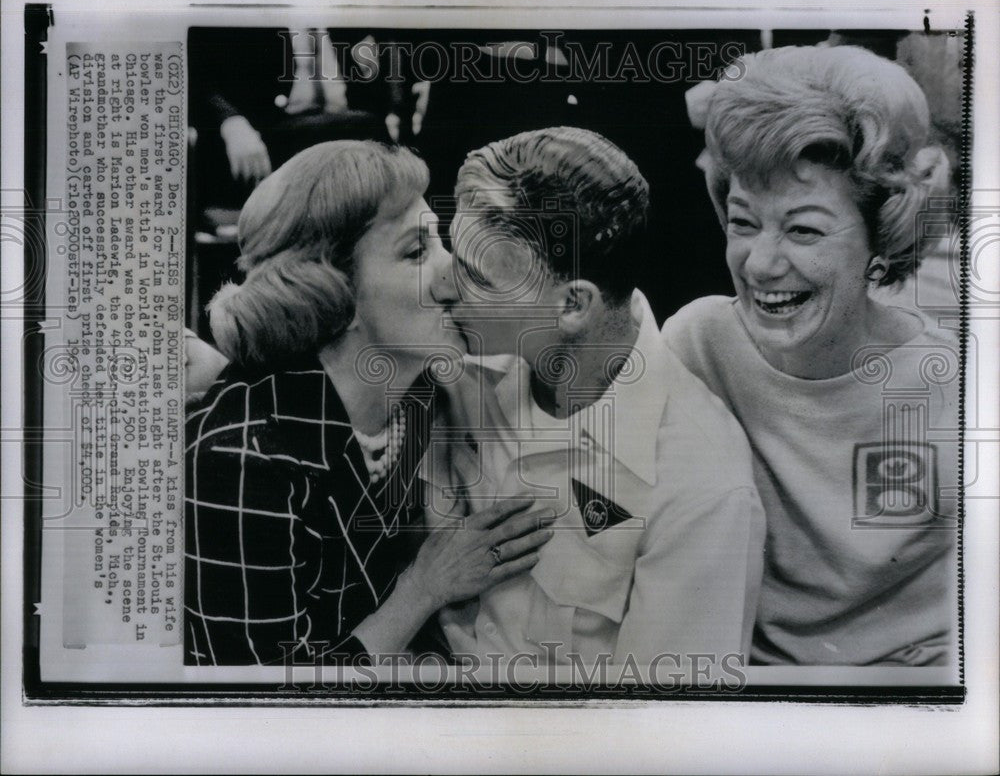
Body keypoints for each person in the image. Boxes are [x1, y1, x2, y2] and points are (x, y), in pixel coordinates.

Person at [185, 141, 553, 666]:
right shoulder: (243, 465)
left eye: (441, 244)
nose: (457, 274)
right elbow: (269, 711)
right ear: (334, 295)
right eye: (416, 252)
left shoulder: (418, 394)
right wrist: (425, 586)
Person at [422, 127, 766, 669]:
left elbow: (655, 736)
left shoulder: (701, 489)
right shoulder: (461, 366)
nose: (441, 285)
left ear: (572, 307)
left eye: (475, 275)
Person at [663, 45, 958, 666]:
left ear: (885, 235)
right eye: (743, 223)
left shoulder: (949, 384)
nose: (761, 264)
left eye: (803, 230)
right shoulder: (696, 346)